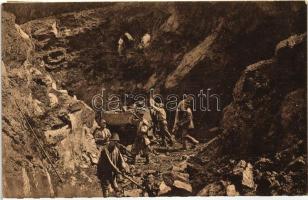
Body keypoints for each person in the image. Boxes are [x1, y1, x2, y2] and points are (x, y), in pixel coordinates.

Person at [98, 133, 129, 197]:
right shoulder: (105, 149)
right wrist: (116, 169)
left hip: (113, 172)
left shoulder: (116, 149)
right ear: (110, 141)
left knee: (115, 186)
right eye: (114, 141)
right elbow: (109, 161)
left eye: (116, 141)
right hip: (104, 171)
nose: (115, 143)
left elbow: (121, 160)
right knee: (105, 186)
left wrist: (124, 168)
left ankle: (117, 194)